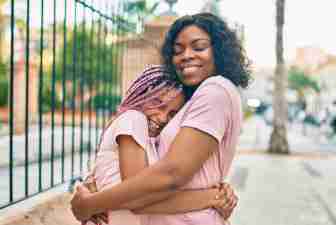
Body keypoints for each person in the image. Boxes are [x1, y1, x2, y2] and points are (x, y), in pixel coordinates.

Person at [71, 12, 252, 225]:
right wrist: (212, 196)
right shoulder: (143, 119)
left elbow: (169, 176)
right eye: (177, 50)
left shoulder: (215, 90)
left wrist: (89, 204)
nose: (186, 55)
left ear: (219, 51)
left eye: (199, 47)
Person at [80, 65, 234, 225]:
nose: (162, 117)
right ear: (141, 95)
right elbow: (139, 197)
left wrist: (218, 193)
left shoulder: (152, 141)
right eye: (158, 103)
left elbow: (161, 188)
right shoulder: (133, 119)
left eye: (172, 114)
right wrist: (212, 197)